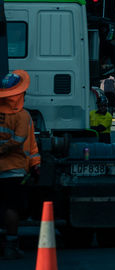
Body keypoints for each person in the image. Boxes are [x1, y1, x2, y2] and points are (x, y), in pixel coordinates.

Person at [0, 71, 41, 260]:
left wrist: (35, 161)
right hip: (13, 169)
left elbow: (30, 145)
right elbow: (22, 141)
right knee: (11, 207)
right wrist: (35, 165)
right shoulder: (23, 116)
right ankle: (11, 244)